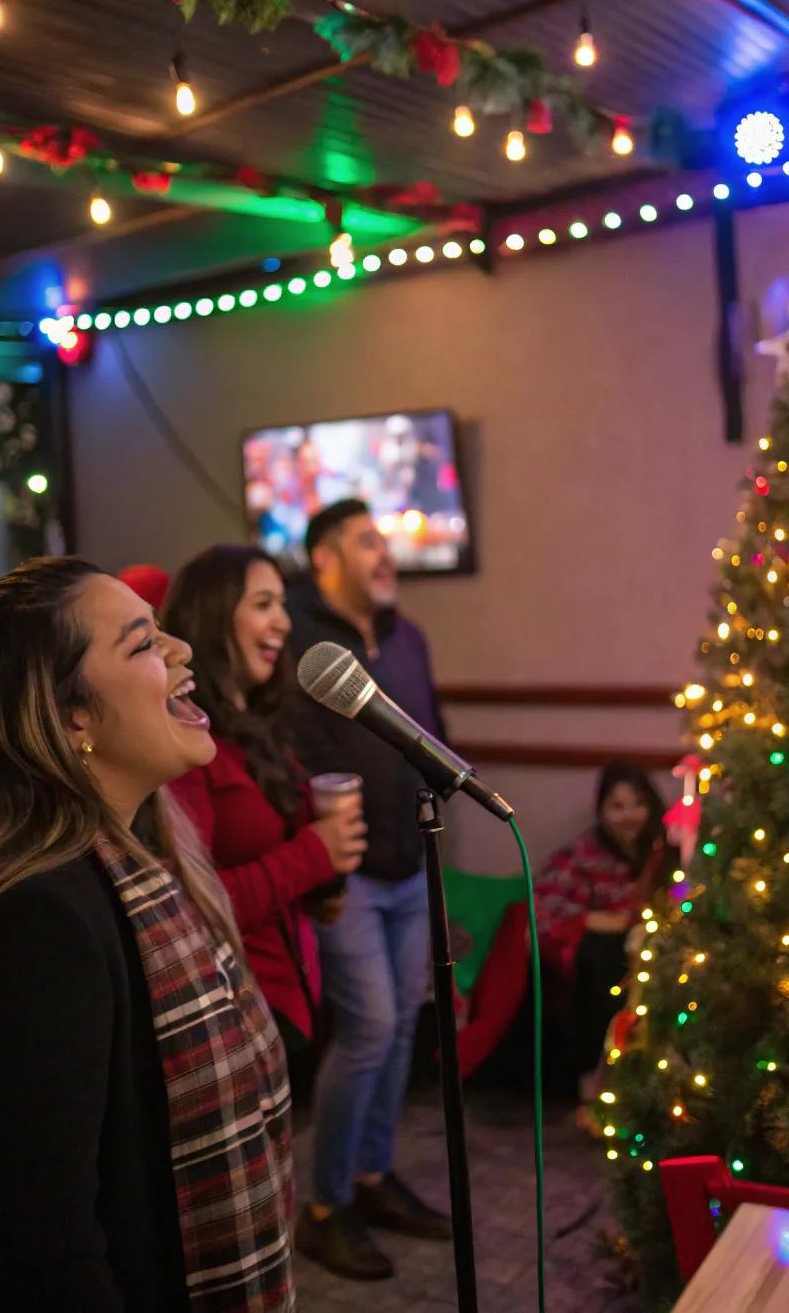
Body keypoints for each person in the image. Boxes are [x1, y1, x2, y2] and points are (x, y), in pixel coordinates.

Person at [0, 557, 295, 1312]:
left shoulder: (142, 866)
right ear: (70, 716)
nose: (182, 651)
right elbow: (36, 1255)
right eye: (143, 643)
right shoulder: (26, 922)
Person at [287, 499, 451, 1281]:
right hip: (343, 878)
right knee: (369, 1030)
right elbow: (298, 764)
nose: (384, 555)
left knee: (401, 1031)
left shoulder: (410, 638)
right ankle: (323, 1207)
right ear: (324, 557)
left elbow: (434, 738)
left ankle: (373, 1176)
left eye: (384, 541)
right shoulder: (304, 647)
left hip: (412, 871)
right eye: (365, 541)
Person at [163, 544, 366, 1055]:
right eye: (263, 604)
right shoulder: (187, 744)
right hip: (237, 1006)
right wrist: (313, 855)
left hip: (292, 993)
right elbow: (193, 906)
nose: (282, 621)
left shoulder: (263, 729)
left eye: (281, 604)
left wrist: (323, 883)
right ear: (212, 615)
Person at [534, 761, 669, 1132]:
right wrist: (600, 921)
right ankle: (595, 1089)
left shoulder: (664, 850)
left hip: (655, 942)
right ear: (602, 810)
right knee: (604, 965)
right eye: (617, 806)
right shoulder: (583, 854)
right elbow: (544, 906)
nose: (629, 816)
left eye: (637, 804)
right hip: (600, 952)